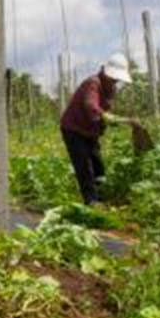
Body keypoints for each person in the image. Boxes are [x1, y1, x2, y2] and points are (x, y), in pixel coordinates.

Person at [59, 53, 139, 206]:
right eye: (114, 78)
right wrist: (118, 119)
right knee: (84, 165)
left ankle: (102, 198)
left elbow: (105, 113)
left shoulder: (111, 89)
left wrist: (114, 121)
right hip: (73, 129)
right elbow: (92, 106)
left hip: (90, 131)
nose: (116, 81)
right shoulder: (93, 83)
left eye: (117, 79)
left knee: (98, 165)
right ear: (106, 73)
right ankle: (91, 202)